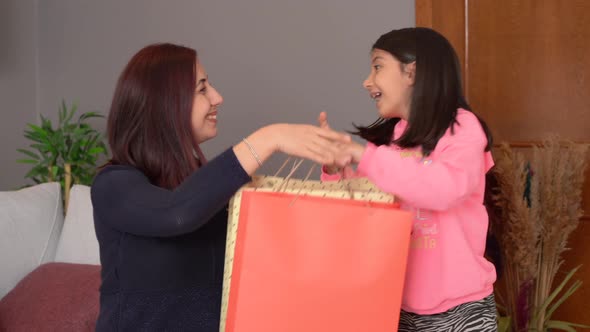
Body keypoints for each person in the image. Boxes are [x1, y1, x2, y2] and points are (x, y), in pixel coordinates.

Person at [91, 43, 350, 331]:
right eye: (202, 89)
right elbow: (176, 213)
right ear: (166, 101)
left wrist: (332, 171)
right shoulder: (113, 185)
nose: (217, 97)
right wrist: (269, 138)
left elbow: (287, 248)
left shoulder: (207, 189)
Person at [320, 27, 498, 331]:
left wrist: (362, 156)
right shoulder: (386, 142)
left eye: (377, 66)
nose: (367, 81)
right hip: (394, 304)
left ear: (411, 72)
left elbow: (444, 189)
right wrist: (335, 169)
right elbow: (357, 211)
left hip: (461, 309)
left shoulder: (462, 128)